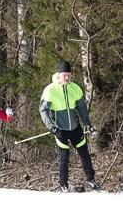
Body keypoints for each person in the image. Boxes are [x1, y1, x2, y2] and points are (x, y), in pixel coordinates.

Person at [39, 61, 101, 192]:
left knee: (84, 153)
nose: (67, 78)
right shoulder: (50, 89)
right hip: (59, 129)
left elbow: (82, 108)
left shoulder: (75, 88)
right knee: (64, 156)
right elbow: (43, 110)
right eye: (64, 75)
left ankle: (91, 180)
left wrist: (87, 124)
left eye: (69, 75)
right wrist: (51, 126)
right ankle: (63, 184)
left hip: (75, 127)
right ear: (59, 75)